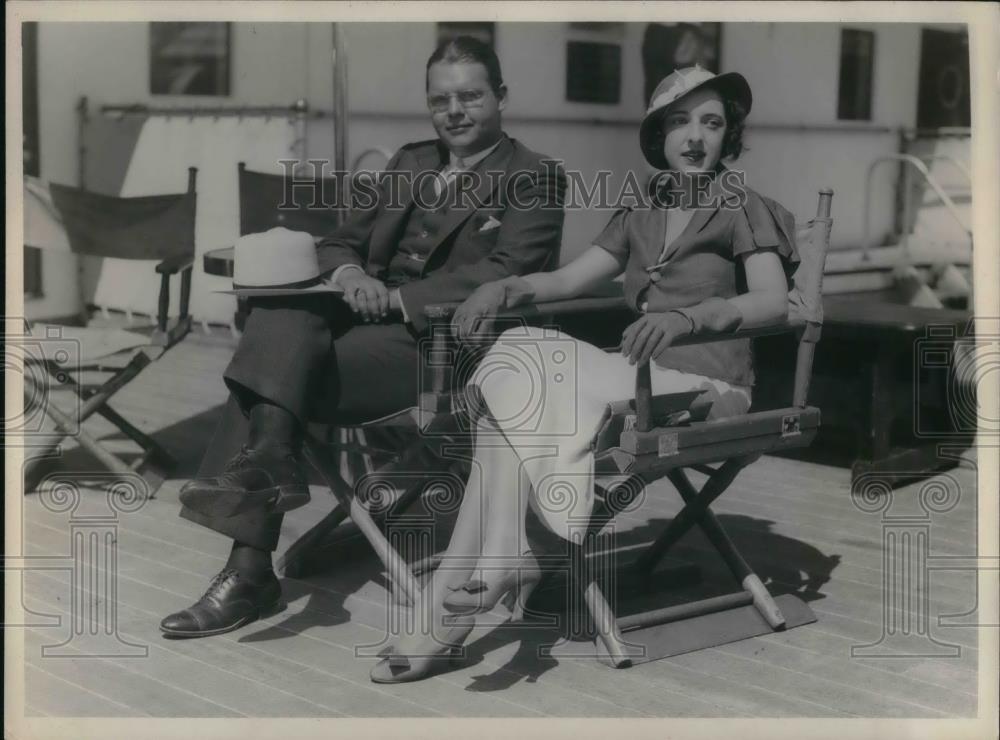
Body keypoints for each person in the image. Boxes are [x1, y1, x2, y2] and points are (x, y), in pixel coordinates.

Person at [370, 65, 799, 683]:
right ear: (659, 135)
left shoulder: (742, 206)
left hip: (708, 388)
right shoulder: (643, 208)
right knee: (516, 355)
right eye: (679, 122)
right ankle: (497, 568)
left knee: (507, 406)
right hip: (638, 378)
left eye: (712, 122)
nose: (695, 137)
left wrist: (688, 317)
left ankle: (446, 612)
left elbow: (772, 302)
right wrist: (504, 285)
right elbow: (570, 280)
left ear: (729, 134)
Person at [160, 36, 566, 638]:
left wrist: (398, 297)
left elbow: (506, 272)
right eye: (440, 100)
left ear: (501, 98)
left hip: (449, 351)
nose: (454, 111)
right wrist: (349, 274)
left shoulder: (535, 176)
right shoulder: (409, 162)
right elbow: (336, 242)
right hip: (363, 334)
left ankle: (250, 567)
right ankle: (270, 462)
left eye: (471, 97)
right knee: (279, 309)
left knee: (268, 376)